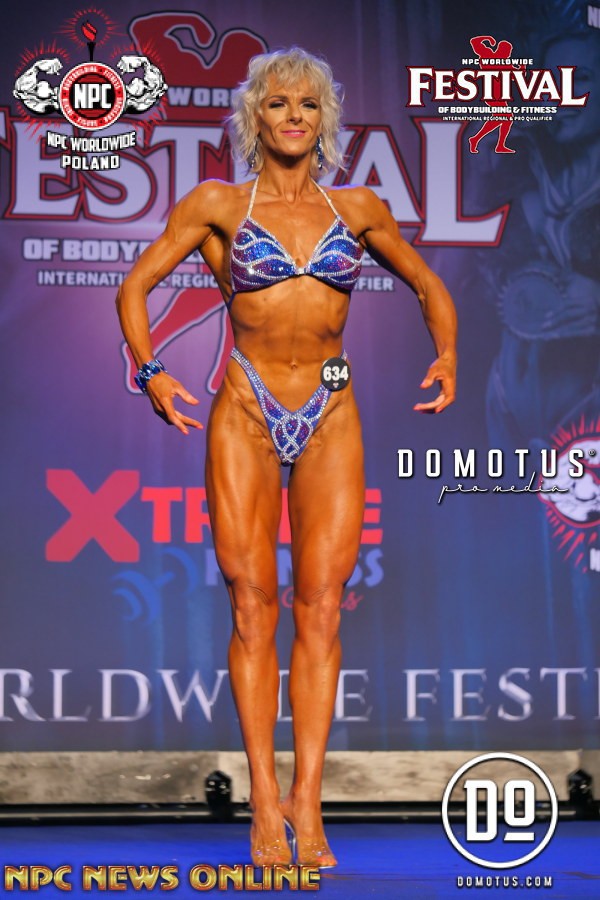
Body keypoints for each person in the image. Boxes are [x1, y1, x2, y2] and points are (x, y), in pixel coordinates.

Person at [116, 47, 457, 868]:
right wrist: (152, 372)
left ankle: (309, 797)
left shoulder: (359, 207)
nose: (294, 116)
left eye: (308, 104)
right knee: (250, 606)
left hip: (331, 411)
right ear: (255, 117)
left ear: (325, 117)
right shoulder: (218, 203)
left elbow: (426, 283)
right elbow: (135, 286)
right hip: (246, 407)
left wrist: (448, 354)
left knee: (324, 607)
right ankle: (263, 801)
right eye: (278, 103)